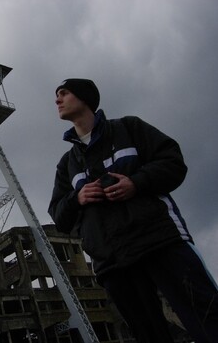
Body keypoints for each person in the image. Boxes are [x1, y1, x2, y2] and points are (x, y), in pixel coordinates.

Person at [48, 78, 218, 343]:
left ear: (85, 98)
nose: (57, 99)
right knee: (147, 335)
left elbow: (172, 162)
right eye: (56, 95)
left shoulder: (129, 128)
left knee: (207, 316)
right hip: (112, 261)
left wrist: (136, 183)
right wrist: (77, 197)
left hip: (159, 241)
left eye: (64, 93)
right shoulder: (67, 164)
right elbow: (59, 216)